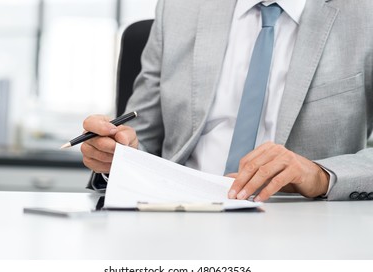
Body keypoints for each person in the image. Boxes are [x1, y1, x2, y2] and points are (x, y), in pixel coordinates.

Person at [81, 0, 373, 201]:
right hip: (178, 215)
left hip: (299, 221)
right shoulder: (180, 8)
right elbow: (140, 141)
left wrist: (320, 176)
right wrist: (116, 152)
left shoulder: (364, 16)